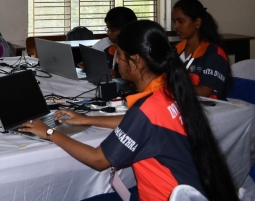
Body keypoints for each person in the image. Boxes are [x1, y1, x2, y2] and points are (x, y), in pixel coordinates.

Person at [19, 20, 238, 201]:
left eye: (120, 56)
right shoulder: (171, 92)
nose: (116, 62)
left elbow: (98, 160)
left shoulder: (148, 108)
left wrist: (48, 132)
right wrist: (86, 119)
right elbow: (142, 123)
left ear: (135, 62)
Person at [172, 0, 230, 100]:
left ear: (197, 22)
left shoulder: (214, 53)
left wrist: (170, 87)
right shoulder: (176, 49)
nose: (176, 26)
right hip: (181, 102)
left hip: (210, 106)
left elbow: (204, 92)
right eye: (174, 21)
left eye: (181, 21)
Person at [90, 6, 137, 73]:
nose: (108, 33)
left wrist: (118, 75)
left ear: (126, 29)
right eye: (108, 29)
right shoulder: (113, 47)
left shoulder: (137, 50)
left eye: (112, 30)